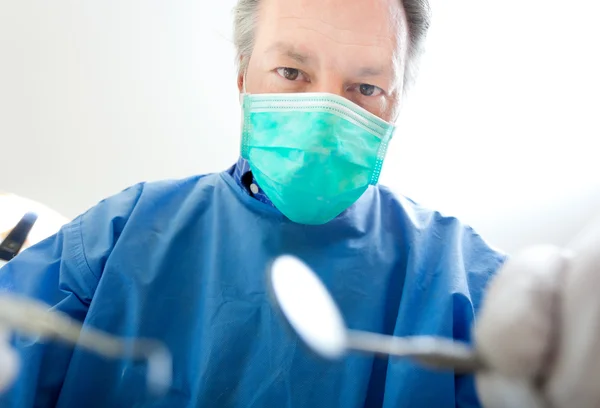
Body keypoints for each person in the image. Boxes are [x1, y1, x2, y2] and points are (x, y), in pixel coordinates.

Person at [0, 0, 598, 406]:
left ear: (394, 109)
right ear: (243, 80)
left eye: (365, 88)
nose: (324, 114)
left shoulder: (462, 282)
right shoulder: (118, 239)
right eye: (291, 71)